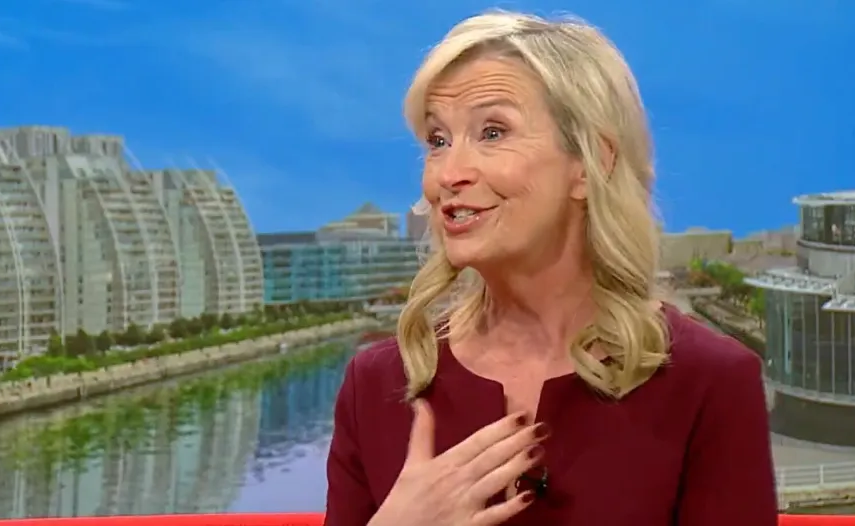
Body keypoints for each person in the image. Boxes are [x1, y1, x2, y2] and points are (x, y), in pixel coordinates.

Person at [325, 10, 777, 526]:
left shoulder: (709, 383)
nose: (448, 174)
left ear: (590, 164)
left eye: (492, 132)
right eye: (438, 141)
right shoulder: (377, 385)